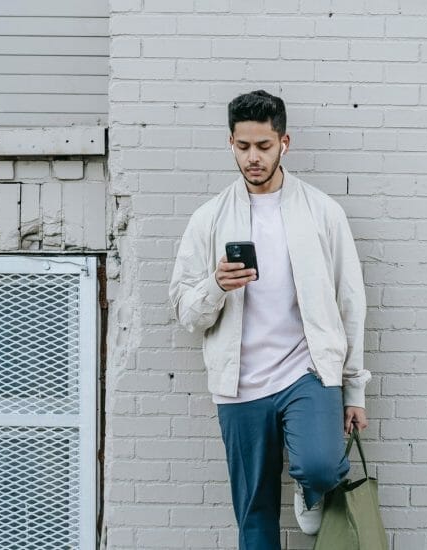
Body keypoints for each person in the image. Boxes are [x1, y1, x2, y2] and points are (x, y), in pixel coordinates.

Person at [169, 90, 370, 549]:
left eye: (264, 146)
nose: (253, 158)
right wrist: (217, 285)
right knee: (254, 515)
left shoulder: (322, 212)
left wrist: (354, 388)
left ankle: (309, 486)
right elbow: (184, 311)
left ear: (285, 142)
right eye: (243, 147)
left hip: (308, 372)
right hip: (239, 385)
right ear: (231, 143)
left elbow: (350, 302)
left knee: (320, 463)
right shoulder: (209, 219)